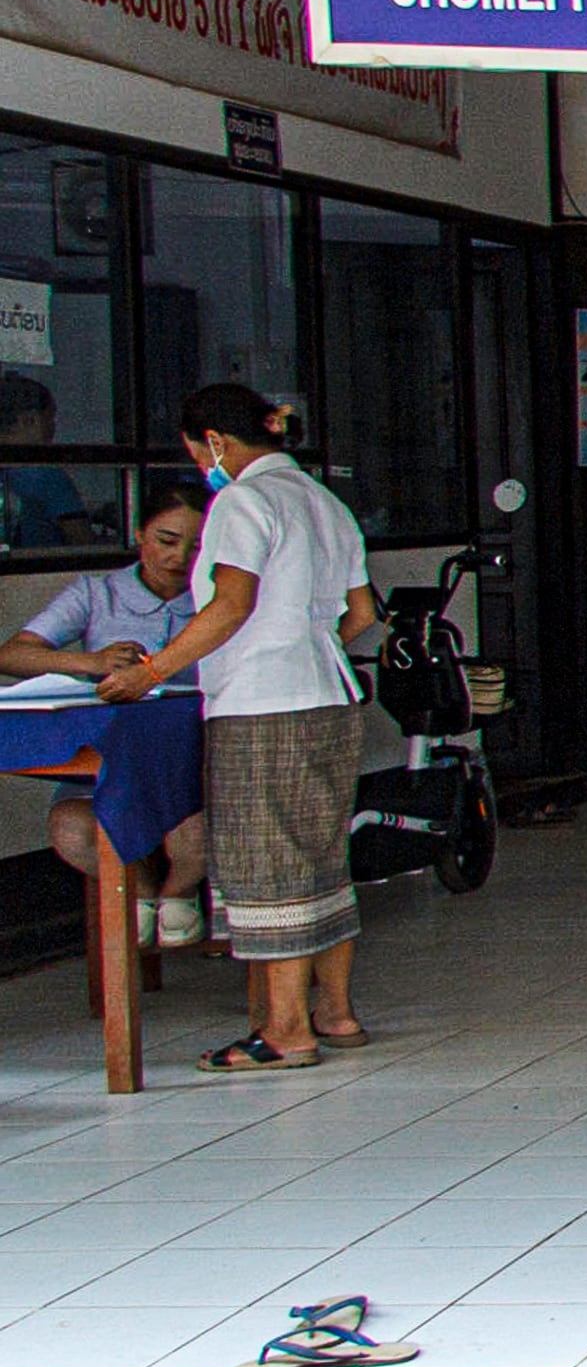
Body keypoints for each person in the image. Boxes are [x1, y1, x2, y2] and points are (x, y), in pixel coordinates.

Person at [103, 386, 377, 1071]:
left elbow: (230, 605)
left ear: (214, 442)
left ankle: (285, 1031)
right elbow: (363, 612)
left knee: (266, 863)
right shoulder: (325, 501)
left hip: (262, 702)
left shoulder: (242, 502)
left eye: (199, 451)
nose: (202, 465)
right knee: (321, 855)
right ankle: (335, 1012)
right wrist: (312, 646)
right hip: (329, 694)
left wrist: (151, 671)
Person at [0, 483, 211, 943]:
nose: (179, 558)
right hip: (108, 762)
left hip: (195, 763)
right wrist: (90, 663)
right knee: (72, 828)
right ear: (139, 534)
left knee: (195, 837)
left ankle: (179, 892)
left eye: (196, 546)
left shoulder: (221, 600)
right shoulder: (98, 594)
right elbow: (11, 655)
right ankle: (143, 891)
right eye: (166, 541)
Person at [0, 373, 100, 549]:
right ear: (27, 420)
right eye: (50, 418)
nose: (53, 428)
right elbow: (83, 540)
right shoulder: (46, 475)